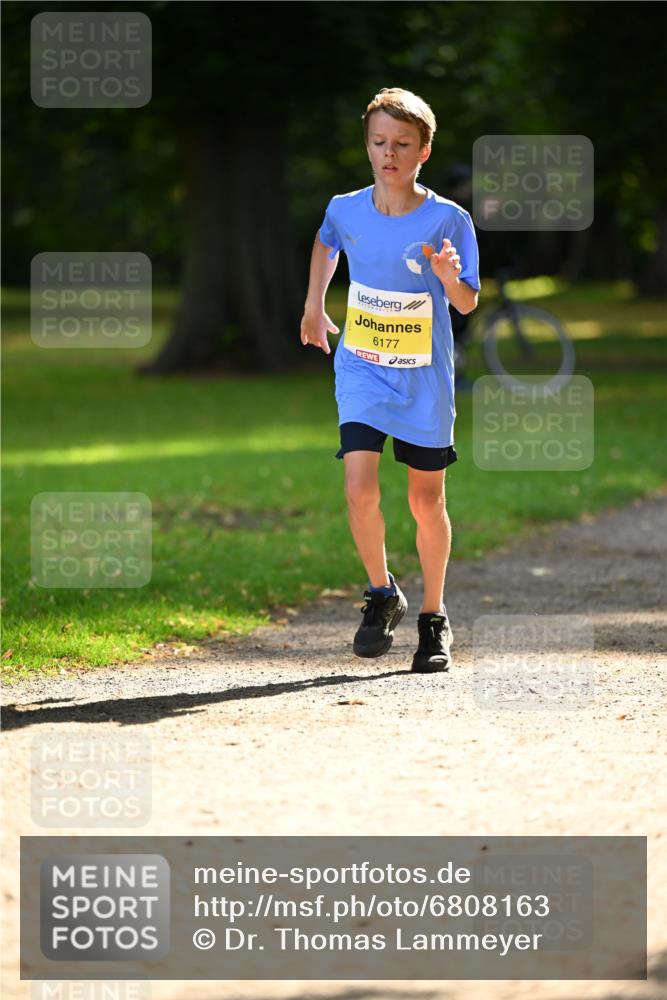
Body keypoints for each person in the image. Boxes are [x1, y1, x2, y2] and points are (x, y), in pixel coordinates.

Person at [300, 88, 480, 673]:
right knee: (359, 486)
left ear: (424, 151)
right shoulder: (345, 208)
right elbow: (327, 242)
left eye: (403, 144)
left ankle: (433, 617)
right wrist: (313, 304)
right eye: (379, 142)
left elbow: (467, 302)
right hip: (362, 367)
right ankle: (380, 593)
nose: (389, 154)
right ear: (368, 146)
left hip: (423, 377)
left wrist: (449, 277)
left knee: (426, 499)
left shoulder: (449, 218)